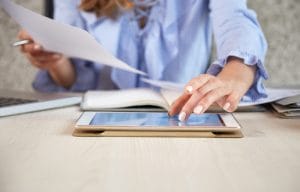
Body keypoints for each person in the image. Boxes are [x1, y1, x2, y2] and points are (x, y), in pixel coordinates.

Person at [18, 0, 268, 121]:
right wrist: (54, 61)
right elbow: (74, 76)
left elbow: (236, 20)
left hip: (184, 121)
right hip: (94, 121)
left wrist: (235, 73)